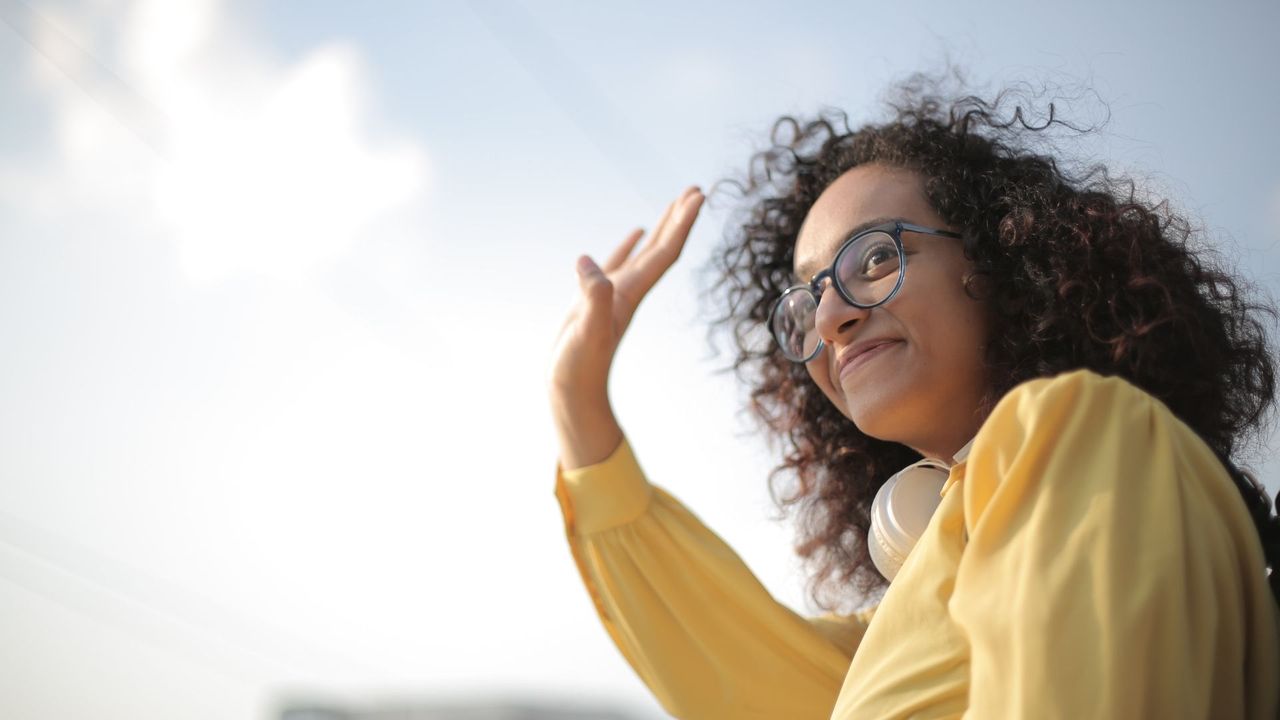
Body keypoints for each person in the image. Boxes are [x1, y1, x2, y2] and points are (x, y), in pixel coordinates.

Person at [547, 75, 1280, 719]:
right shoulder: (903, 628)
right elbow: (730, 673)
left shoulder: (1087, 429)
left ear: (997, 258)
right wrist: (576, 399)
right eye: (808, 298)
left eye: (874, 257)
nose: (829, 319)